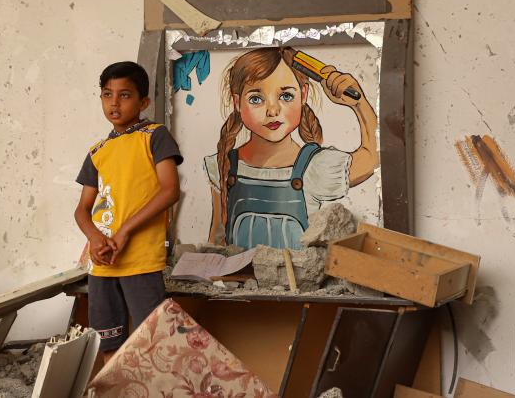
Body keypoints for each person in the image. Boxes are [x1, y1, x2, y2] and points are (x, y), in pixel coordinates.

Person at [203, 47, 378, 249]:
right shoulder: (222, 166)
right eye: (256, 99)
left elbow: (373, 158)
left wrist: (359, 103)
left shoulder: (316, 167)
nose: (272, 110)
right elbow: (216, 240)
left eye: (286, 96)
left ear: (303, 95)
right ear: (237, 103)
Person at [74, 61, 182, 358]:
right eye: (107, 95)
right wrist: (95, 238)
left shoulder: (155, 136)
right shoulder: (97, 152)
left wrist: (125, 231)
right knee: (109, 345)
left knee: (153, 346)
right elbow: (82, 209)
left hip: (141, 260)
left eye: (124, 95)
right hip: (103, 262)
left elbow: (170, 190)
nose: (114, 103)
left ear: (143, 102)